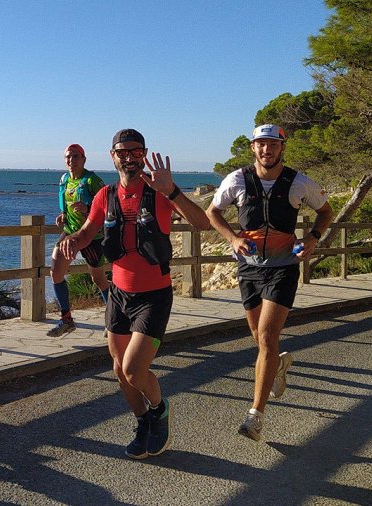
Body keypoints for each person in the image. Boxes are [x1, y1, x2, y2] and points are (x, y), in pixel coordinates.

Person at [59, 129, 210, 459]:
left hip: (154, 296)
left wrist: (172, 191)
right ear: (112, 156)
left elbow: (203, 223)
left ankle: (159, 409)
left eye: (134, 151)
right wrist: (72, 241)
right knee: (118, 368)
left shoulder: (159, 194)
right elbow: (87, 233)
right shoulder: (105, 196)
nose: (128, 157)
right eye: (121, 152)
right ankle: (143, 422)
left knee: (133, 370)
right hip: (119, 294)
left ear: (144, 154)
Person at [206, 124, 333, 441]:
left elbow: (326, 212)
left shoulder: (298, 182)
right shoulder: (236, 180)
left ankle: (255, 416)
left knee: (266, 335)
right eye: (261, 144)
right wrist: (232, 238)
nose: (267, 150)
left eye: (273, 145)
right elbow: (213, 212)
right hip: (249, 269)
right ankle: (276, 365)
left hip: (284, 267)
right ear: (253, 148)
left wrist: (313, 238)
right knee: (260, 339)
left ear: (282, 148)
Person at [47, 143, 109, 337]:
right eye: (68, 157)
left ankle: (114, 317)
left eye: (75, 156)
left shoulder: (92, 180)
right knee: (55, 273)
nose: (71, 160)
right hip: (69, 232)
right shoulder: (64, 179)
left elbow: (108, 205)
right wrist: (63, 214)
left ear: (83, 159)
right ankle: (66, 319)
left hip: (91, 235)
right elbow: (64, 200)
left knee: (98, 279)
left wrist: (88, 207)